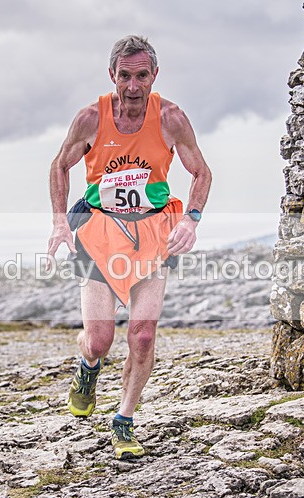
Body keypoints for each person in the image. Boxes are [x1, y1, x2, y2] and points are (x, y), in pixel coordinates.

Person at [47, 35, 212, 460]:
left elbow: (201, 172)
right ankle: (88, 366)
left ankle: (123, 420)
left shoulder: (171, 119)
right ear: (112, 75)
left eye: (142, 76)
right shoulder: (90, 118)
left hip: (152, 232)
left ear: (155, 75)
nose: (133, 86)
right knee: (100, 340)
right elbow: (60, 165)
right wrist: (59, 221)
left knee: (142, 335)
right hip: (98, 229)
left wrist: (191, 219)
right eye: (125, 76)